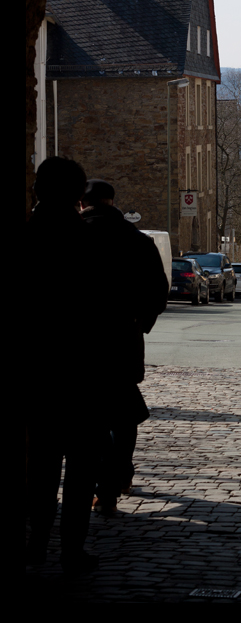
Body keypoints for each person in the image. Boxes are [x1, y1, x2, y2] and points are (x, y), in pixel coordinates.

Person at [26, 157, 103, 575]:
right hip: (81, 369)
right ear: (77, 194)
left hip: (38, 368)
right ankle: (71, 547)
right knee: (79, 467)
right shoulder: (84, 239)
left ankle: (36, 541)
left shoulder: (30, 233)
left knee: (39, 462)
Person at [80, 179, 168, 516]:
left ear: (81, 203)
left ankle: (106, 485)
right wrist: (139, 321)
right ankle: (119, 477)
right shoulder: (137, 241)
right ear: (112, 202)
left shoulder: (73, 237)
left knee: (90, 417)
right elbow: (158, 292)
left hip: (81, 342)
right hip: (122, 339)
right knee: (123, 413)